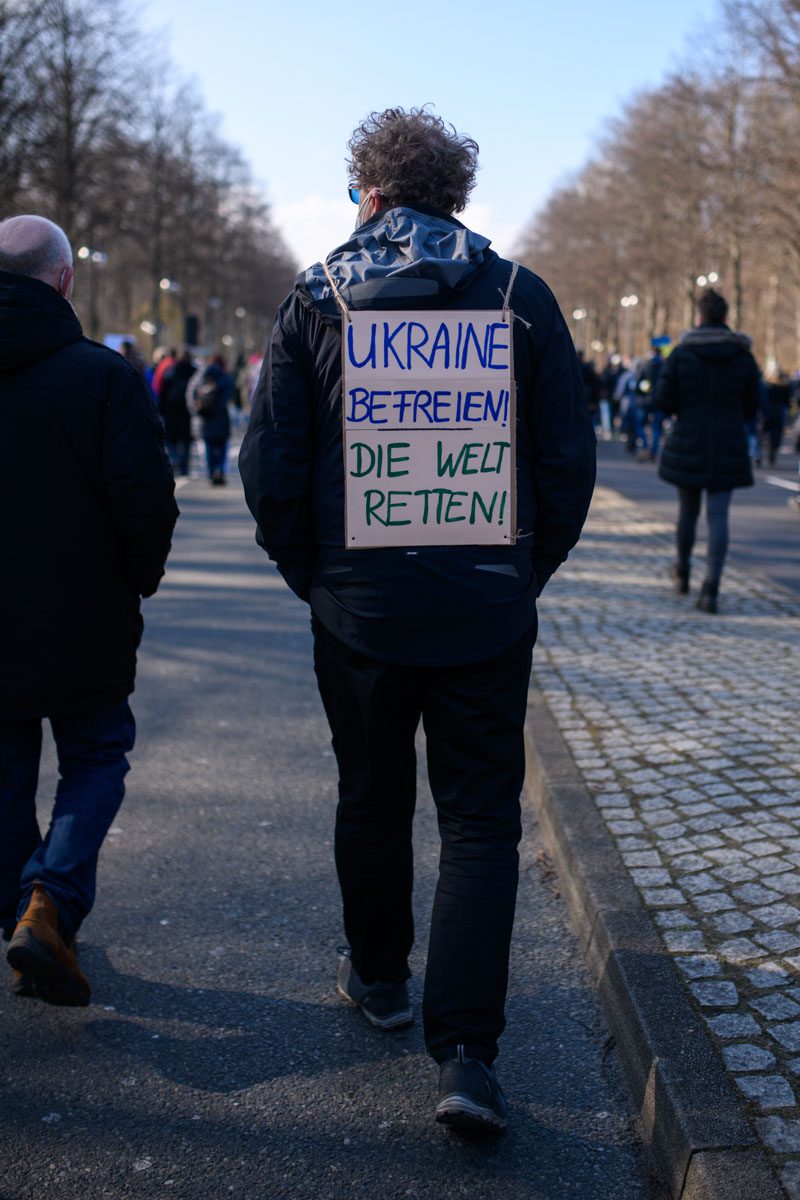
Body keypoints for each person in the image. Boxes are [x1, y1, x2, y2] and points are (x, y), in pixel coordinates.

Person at [239, 107, 595, 1135]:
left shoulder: (315, 298)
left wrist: (312, 575)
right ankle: (469, 1054)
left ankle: (381, 979)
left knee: (371, 792)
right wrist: (522, 570)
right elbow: (566, 462)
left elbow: (272, 469)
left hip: (358, 609)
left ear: (371, 195)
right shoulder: (518, 296)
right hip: (484, 604)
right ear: (458, 200)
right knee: (480, 819)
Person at [0, 215, 178, 1006]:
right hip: (83, 616)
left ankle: (29, 913)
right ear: (65, 280)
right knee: (96, 759)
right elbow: (145, 499)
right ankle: (51, 903)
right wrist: (138, 578)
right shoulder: (103, 378)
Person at [656, 288, 760, 612]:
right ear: (726, 317)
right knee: (719, 516)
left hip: (689, 438)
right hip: (728, 440)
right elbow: (753, 405)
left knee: (687, 512)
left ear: (699, 317)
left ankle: (683, 571)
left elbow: (663, 400)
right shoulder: (743, 355)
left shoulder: (682, 353)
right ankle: (711, 588)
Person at [195, 354, 232, 485]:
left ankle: (211, 473)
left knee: (209, 449)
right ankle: (220, 471)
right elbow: (229, 396)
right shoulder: (226, 379)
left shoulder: (203, 379)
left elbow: (193, 394)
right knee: (222, 449)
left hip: (207, 419)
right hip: (222, 419)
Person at [159, 348, 196, 476]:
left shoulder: (171, 370)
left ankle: (174, 459)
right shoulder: (194, 371)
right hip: (187, 410)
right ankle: (184, 467)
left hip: (171, 409)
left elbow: (163, 391)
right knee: (186, 440)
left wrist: (161, 409)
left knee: (170, 438)